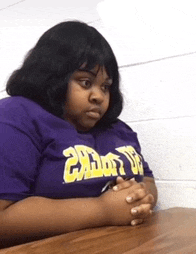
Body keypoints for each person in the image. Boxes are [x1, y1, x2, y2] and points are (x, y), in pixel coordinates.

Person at [0, 20, 157, 248]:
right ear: (53, 76)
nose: (99, 96)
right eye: (86, 82)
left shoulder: (117, 128)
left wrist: (139, 197)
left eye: (105, 86)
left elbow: (147, 179)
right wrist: (103, 210)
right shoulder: (17, 116)